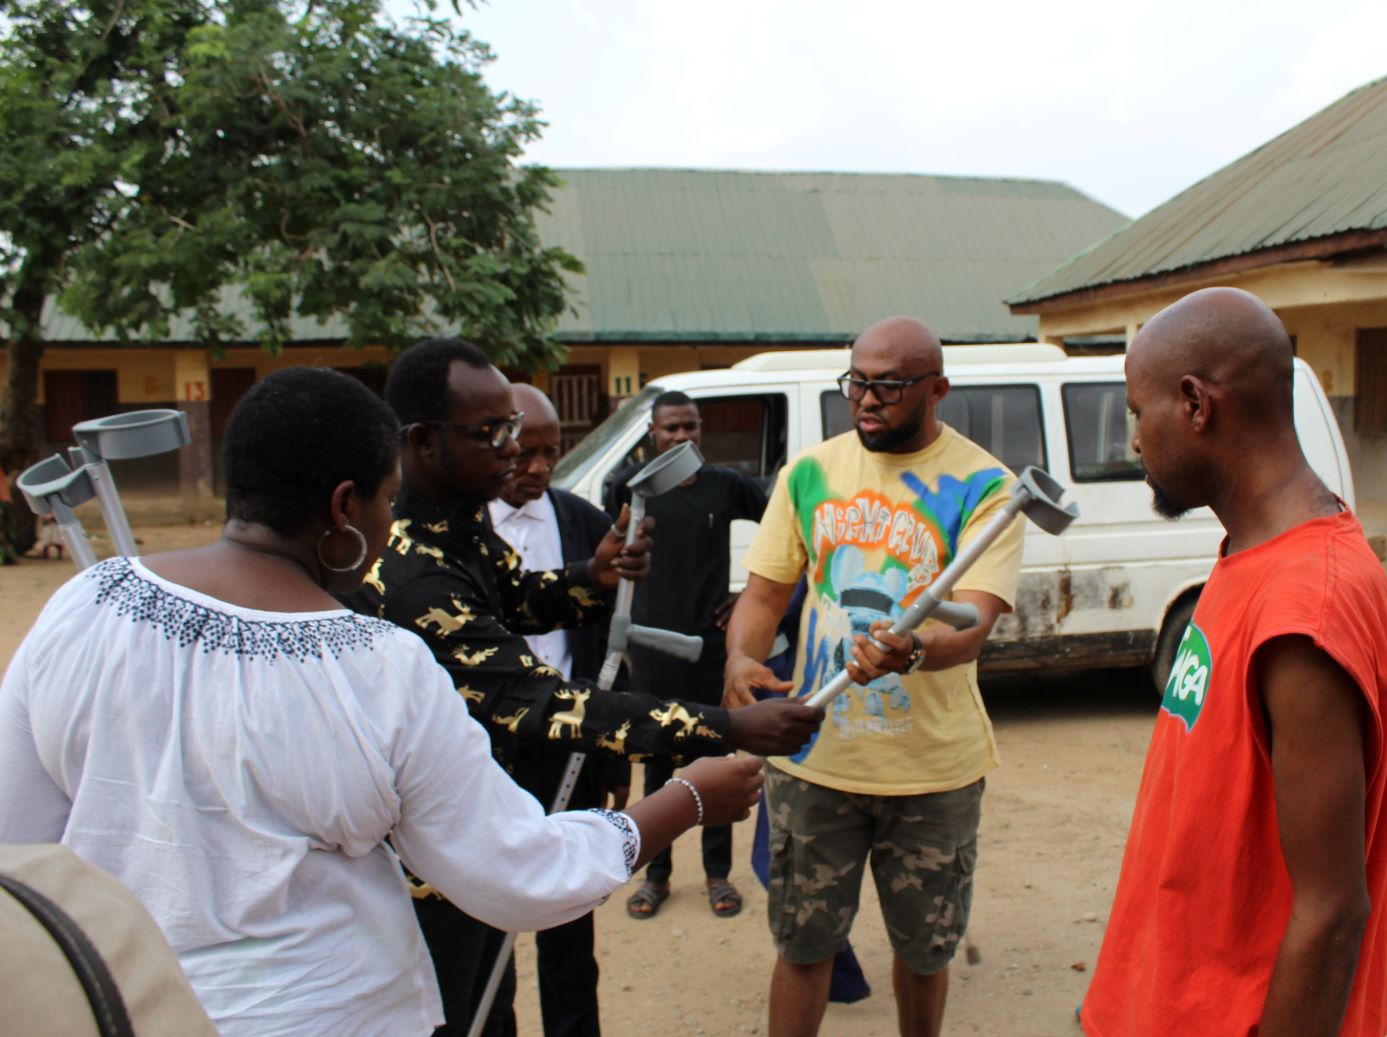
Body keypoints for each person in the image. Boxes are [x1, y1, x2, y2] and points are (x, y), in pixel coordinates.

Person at [0, 366, 766, 1036]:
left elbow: (20, 836)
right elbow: (513, 871)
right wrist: (684, 799)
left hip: (131, 1004)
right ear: (343, 506)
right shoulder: (377, 667)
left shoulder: (86, 605)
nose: (386, 527)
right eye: (384, 502)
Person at [344, 339, 821, 1036]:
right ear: (421, 441)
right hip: (424, 857)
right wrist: (727, 726)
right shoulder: (409, 566)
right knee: (464, 1010)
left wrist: (590, 579)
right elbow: (537, 698)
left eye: (517, 430)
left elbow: (516, 597)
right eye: (493, 434)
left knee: (518, 978)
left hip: (480, 806)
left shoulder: (457, 523)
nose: (514, 452)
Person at [1079, 287, 1387, 1036]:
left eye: (1137, 412)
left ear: (1195, 404)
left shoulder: (1305, 607)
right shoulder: (1250, 556)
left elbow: (1331, 909)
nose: (1134, 441)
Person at [723, 315, 1025, 1037]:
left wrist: (912, 649)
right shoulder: (810, 473)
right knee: (802, 944)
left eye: (888, 386)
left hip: (933, 772)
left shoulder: (987, 488)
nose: (865, 399)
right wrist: (740, 655)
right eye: (856, 382)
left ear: (936, 389)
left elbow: (973, 623)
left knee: (923, 952)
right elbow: (764, 593)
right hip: (816, 759)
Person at [487, 381, 628, 1037]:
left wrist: (612, 753)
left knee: (569, 923)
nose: (539, 468)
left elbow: (608, 643)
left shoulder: (582, 521)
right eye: (523, 454)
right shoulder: (452, 533)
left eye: (551, 452)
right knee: (485, 931)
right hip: (481, 755)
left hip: (568, 749)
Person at [608, 391, 769, 921]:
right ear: (652, 434)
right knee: (657, 763)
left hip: (709, 651)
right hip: (652, 650)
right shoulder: (633, 491)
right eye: (670, 428)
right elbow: (606, 549)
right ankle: (656, 876)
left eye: (690, 427)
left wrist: (747, 597)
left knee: (713, 759)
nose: (681, 437)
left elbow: (786, 532)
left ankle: (718, 875)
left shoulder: (725, 486)